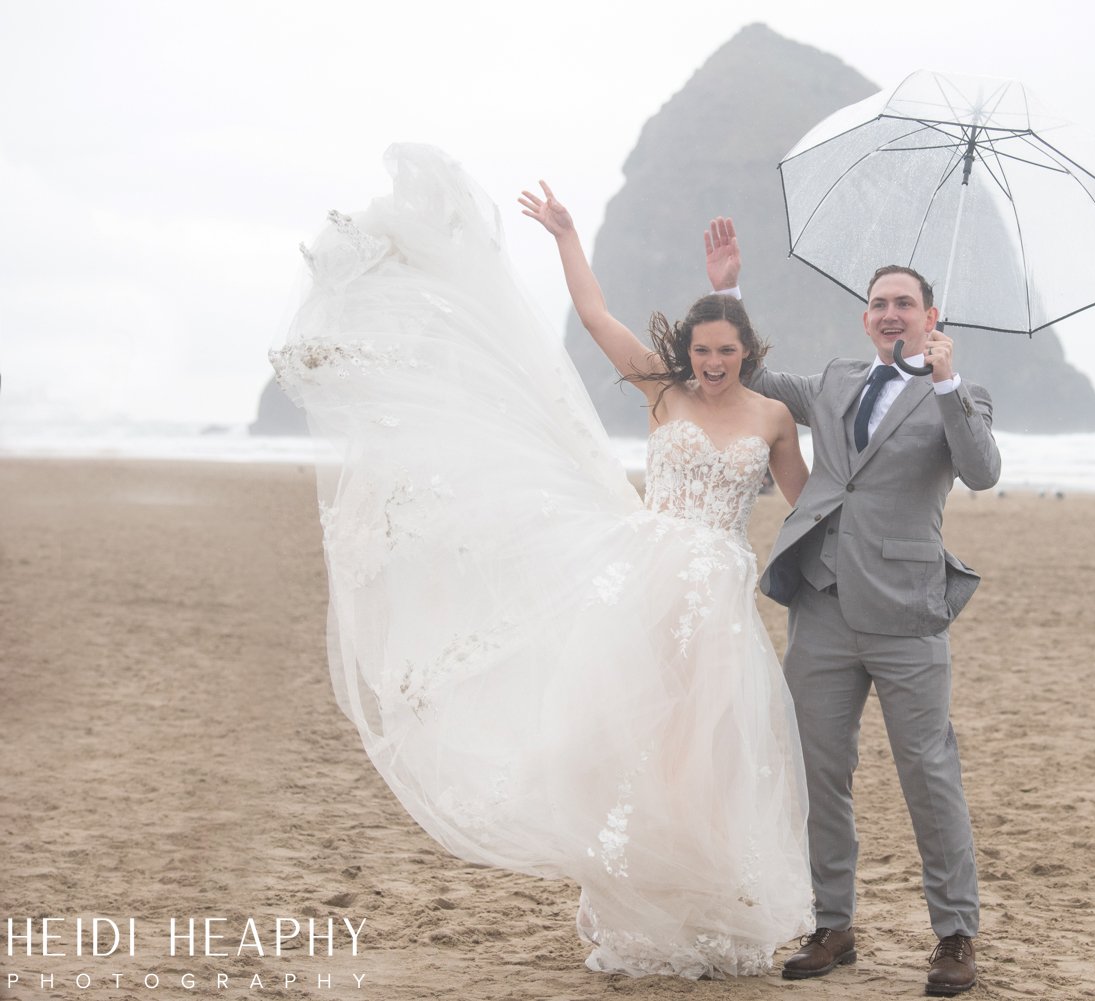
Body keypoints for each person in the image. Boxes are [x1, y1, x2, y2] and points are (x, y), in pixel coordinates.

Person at [271, 144, 814, 980]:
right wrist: (566, 236)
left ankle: (708, 910)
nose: (710, 365)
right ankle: (638, 913)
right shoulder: (661, 390)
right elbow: (596, 320)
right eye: (700, 352)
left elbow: (807, 504)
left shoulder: (774, 417)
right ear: (689, 352)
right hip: (644, 580)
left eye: (724, 353)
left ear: (746, 351)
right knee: (625, 738)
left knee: (704, 757)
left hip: (717, 601)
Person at [703, 217, 1002, 995]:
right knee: (817, 770)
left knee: (928, 772)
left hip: (907, 609)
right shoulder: (836, 379)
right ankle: (833, 924)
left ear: (932, 317)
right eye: (879, 302)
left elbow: (982, 472)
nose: (891, 312)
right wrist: (728, 290)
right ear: (866, 317)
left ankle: (955, 935)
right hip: (824, 603)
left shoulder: (960, 395)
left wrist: (944, 385)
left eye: (905, 302)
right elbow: (757, 382)